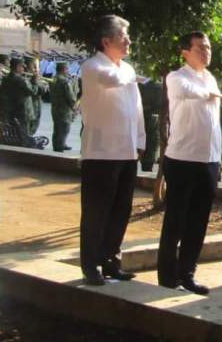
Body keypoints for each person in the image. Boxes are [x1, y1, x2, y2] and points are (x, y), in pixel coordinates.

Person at [79, 15, 145, 286]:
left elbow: (137, 108)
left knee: (121, 209)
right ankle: (91, 264)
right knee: (97, 210)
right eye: (123, 36)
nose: (128, 41)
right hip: (101, 153)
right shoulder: (93, 66)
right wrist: (136, 77)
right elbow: (112, 79)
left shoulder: (127, 70)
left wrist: (140, 140)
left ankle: (111, 261)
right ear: (106, 41)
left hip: (127, 151)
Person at [157, 32, 222, 295]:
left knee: (198, 221)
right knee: (176, 219)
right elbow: (189, 92)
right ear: (185, 51)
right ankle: (167, 276)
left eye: (208, 47)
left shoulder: (211, 78)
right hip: (183, 159)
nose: (206, 51)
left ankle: (187, 273)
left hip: (208, 159)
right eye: (200, 48)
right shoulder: (177, 77)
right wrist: (209, 93)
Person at [0, 57, 37, 131]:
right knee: (24, 135)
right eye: (22, 66)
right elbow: (33, 91)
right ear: (17, 67)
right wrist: (34, 82)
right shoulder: (21, 80)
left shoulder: (5, 78)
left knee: (15, 134)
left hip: (11, 111)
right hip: (23, 111)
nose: (23, 68)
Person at [49, 61, 77, 152]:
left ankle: (57, 145)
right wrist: (74, 107)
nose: (68, 71)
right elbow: (70, 96)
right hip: (64, 109)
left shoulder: (53, 79)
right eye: (67, 69)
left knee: (57, 128)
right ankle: (59, 147)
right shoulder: (65, 81)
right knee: (64, 128)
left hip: (55, 107)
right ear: (64, 69)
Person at [138, 78, 164, 172]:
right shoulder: (159, 86)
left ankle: (146, 166)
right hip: (152, 117)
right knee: (152, 141)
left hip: (144, 116)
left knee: (150, 141)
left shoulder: (142, 84)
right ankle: (147, 166)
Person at [24, 56, 47, 136]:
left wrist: (38, 81)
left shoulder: (36, 77)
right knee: (28, 126)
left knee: (35, 124)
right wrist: (35, 82)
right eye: (33, 66)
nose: (36, 69)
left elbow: (44, 89)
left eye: (37, 66)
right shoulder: (24, 78)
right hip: (27, 107)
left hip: (37, 105)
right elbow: (32, 91)